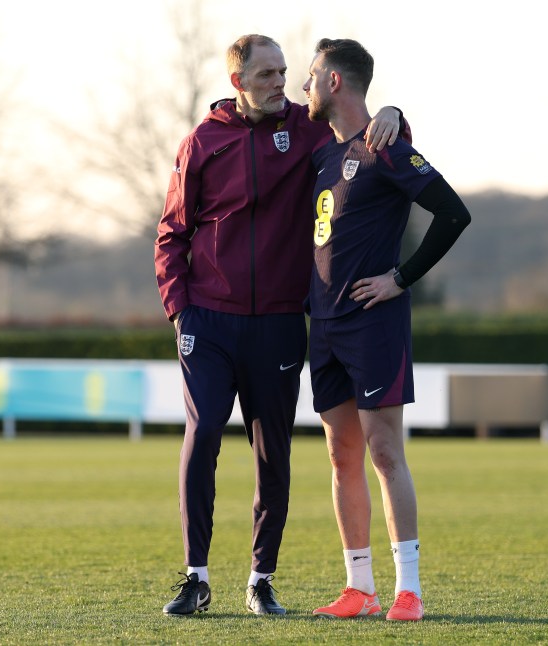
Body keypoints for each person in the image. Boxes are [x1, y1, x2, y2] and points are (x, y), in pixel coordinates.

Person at [154, 34, 409, 617]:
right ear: (238, 82)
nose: (280, 83)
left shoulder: (307, 128)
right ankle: (195, 577)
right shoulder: (202, 142)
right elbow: (171, 234)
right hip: (208, 321)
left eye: (284, 72)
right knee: (203, 435)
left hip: (278, 321)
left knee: (273, 453)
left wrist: (396, 113)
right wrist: (180, 309)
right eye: (267, 74)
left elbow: (364, 135)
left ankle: (260, 580)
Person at [301, 38, 472, 621]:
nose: (303, 87)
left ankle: (409, 591)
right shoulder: (321, 153)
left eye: (311, 76)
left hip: (373, 323)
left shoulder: (387, 146)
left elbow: (453, 212)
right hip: (324, 324)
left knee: (383, 451)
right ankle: (360, 589)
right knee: (340, 455)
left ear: (335, 82)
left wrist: (401, 278)